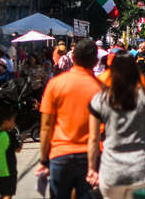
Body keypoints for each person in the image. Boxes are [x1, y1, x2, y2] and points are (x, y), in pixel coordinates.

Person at [87, 52, 145, 199]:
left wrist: (91, 168)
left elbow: (93, 139)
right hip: (142, 170)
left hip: (112, 172)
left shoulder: (100, 100)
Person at [39, 39, 102, 199]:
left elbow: (46, 126)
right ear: (95, 62)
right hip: (90, 157)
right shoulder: (101, 89)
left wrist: (43, 160)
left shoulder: (55, 84)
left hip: (60, 155)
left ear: (72, 58)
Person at [0, 105, 22, 199]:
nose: (14, 123)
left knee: (3, 194)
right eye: (13, 121)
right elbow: (18, 149)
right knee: (8, 194)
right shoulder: (10, 135)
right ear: (6, 121)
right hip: (10, 170)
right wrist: (21, 142)